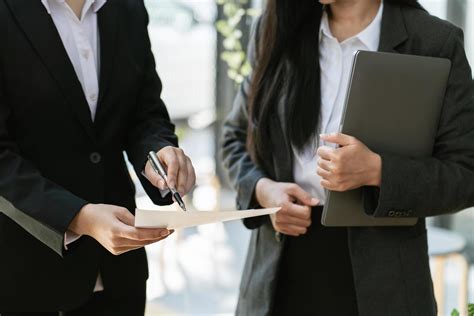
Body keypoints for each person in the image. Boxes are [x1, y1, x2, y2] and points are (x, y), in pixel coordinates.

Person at [222, 0, 474, 315]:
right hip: (278, 276)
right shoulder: (275, 28)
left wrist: (378, 172)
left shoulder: (432, 42)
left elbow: (466, 174)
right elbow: (234, 139)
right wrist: (264, 191)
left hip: (383, 285)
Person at [0, 0, 196, 315]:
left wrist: (157, 153)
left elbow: (143, 114)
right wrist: (78, 216)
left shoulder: (127, 7)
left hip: (121, 275)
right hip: (28, 270)